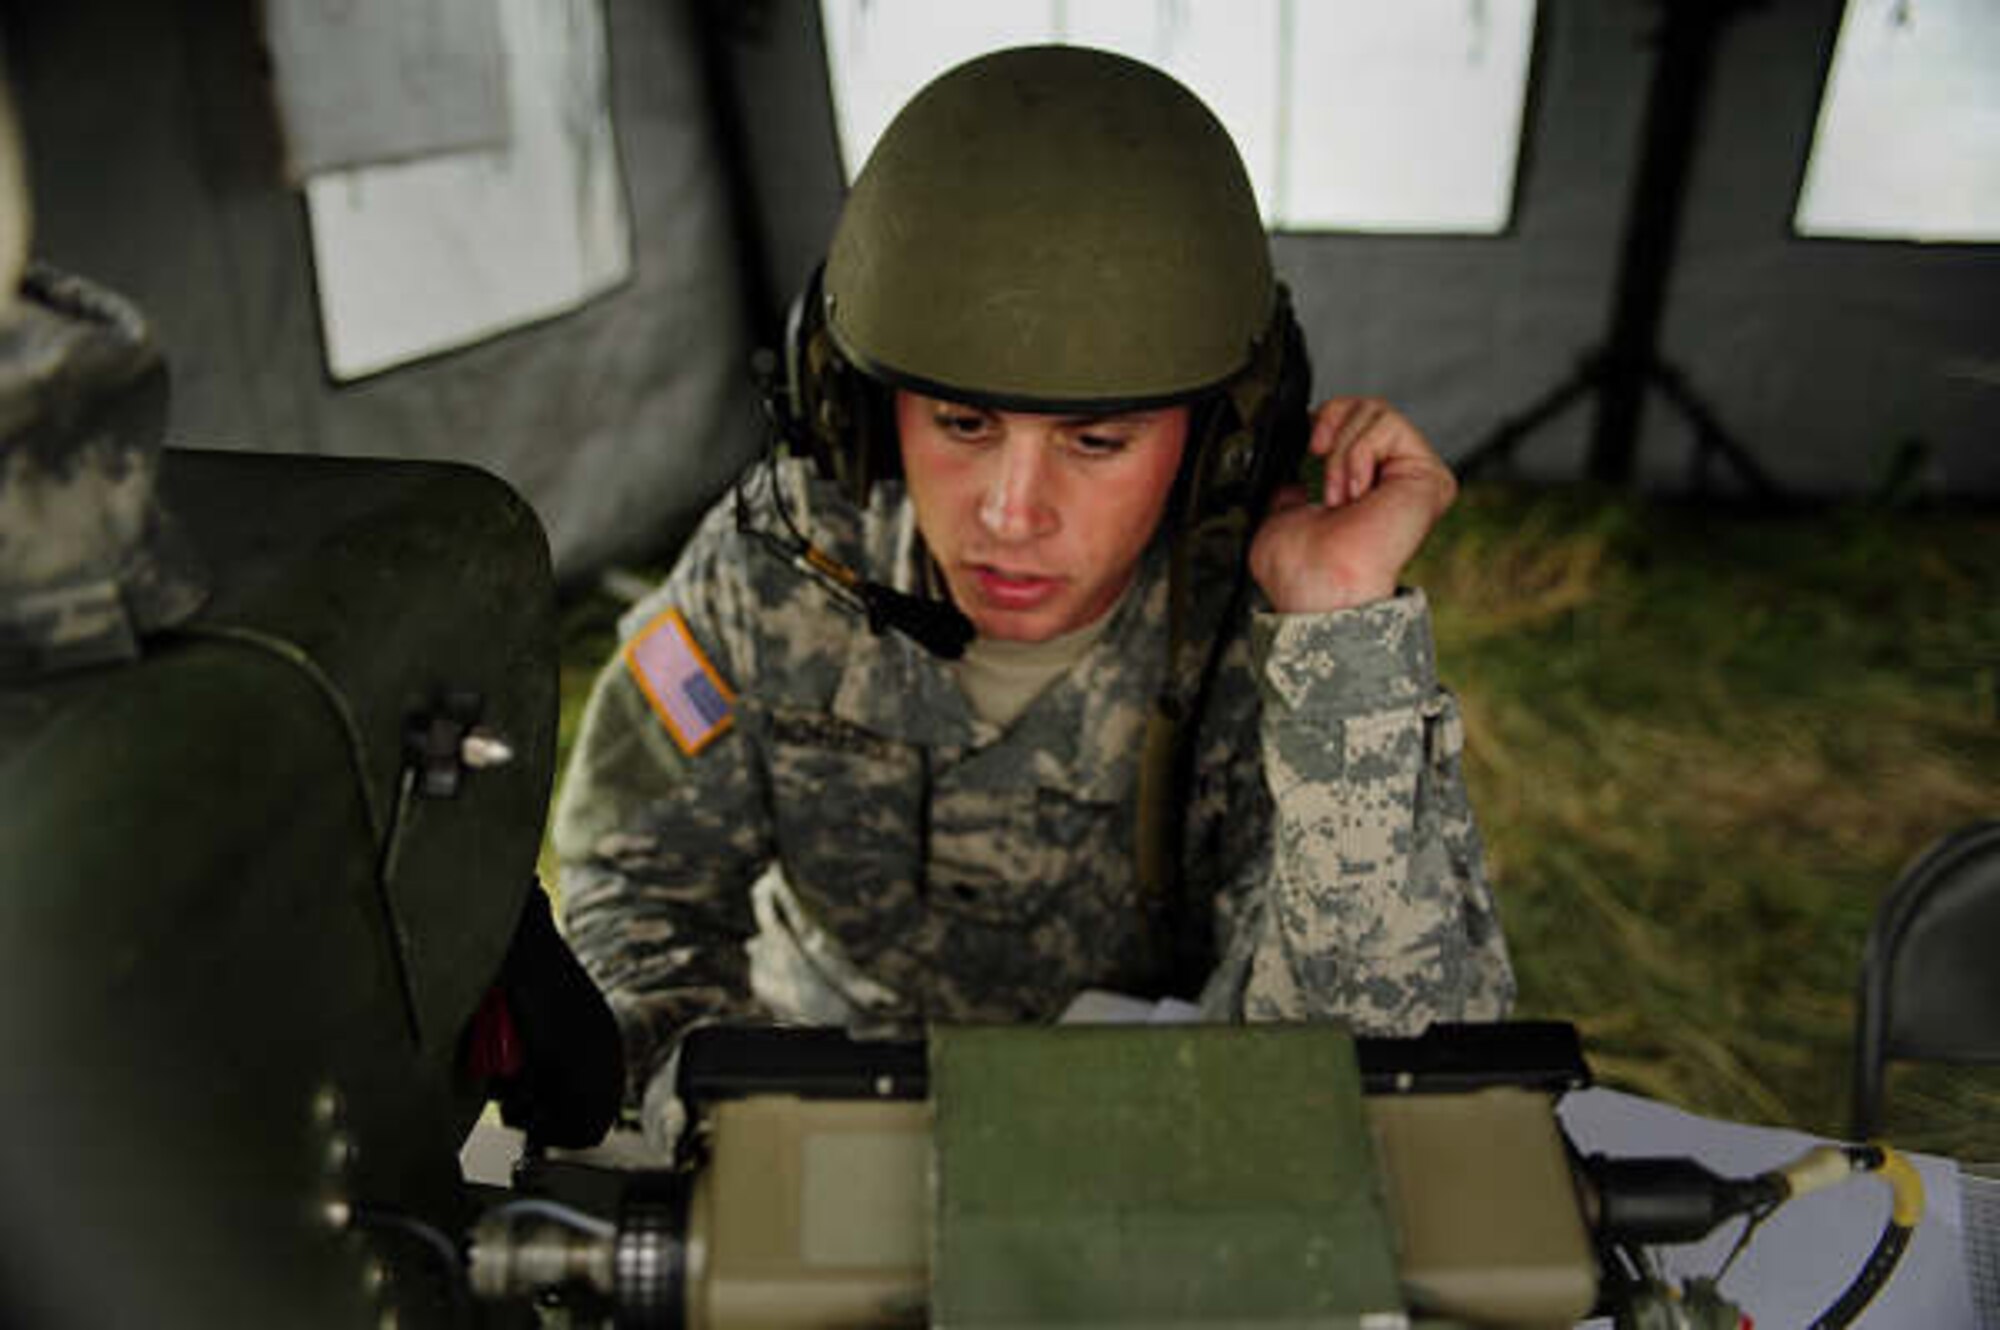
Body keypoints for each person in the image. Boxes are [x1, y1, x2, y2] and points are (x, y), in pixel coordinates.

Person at [555, 46, 1513, 1130]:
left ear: (1218, 447)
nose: (1011, 512)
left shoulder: (1273, 642)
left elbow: (1403, 1070)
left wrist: (1340, 627)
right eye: (962, 425)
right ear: (855, 408)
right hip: (806, 1115)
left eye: (1096, 440)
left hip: (1147, 1135)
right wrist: (727, 1114)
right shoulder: (772, 567)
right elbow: (634, 889)